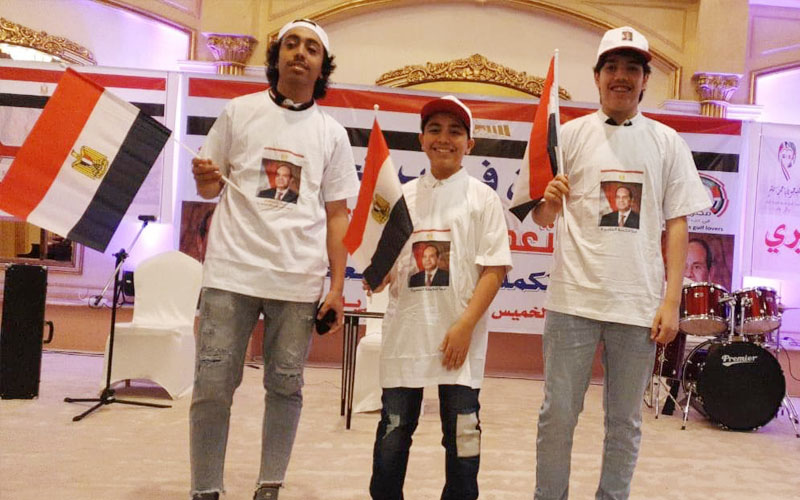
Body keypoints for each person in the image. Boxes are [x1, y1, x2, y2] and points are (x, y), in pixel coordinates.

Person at [531, 26, 711, 500]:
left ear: (645, 79)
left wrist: (671, 301)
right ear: (597, 76)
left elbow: (677, 225)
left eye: (632, 68)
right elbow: (543, 217)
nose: (621, 77)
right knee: (557, 415)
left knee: (625, 421)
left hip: (636, 306)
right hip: (572, 300)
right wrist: (549, 201)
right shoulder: (567, 136)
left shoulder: (667, 142)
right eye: (612, 67)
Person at [188, 19, 359, 500]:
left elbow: (338, 215)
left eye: (311, 48)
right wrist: (204, 176)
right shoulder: (238, 112)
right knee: (212, 385)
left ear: (322, 67)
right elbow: (209, 187)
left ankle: (270, 485)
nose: (300, 53)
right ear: (277, 55)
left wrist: (337, 288)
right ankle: (205, 489)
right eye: (291, 44)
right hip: (231, 273)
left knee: (286, 386)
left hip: (298, 281)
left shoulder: (332, 134)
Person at [368, 95, 512, 500]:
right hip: (406, 339)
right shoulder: (400, 198)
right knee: (393, 437)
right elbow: (382, 271)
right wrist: (375, 273)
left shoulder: (483, 198)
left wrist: (465, 326)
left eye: (455, 131)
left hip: (460, 342)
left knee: (463, 439)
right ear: (421, 139)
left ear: (470, 144)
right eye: (434, 130)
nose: (444, 139)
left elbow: (495, 270)